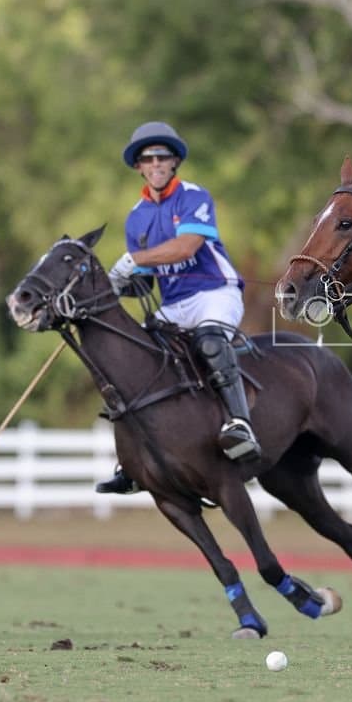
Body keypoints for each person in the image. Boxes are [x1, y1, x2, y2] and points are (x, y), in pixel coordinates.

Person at [95, 121, 262, 494]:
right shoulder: (136, 217)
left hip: (214, 292)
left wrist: (134, 259)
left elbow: (187, 247)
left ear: (174, 162)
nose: (155, 163)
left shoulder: (193, 197)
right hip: (173, 304)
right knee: (133, 360)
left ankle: (241, 424)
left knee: (210, 343)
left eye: (162, 156)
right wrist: (119, 284)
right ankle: (132, 460)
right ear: (138, 166)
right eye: (148, 158)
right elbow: (147, 283)